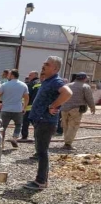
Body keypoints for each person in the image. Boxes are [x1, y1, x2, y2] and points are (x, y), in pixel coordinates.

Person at [24, 56, 73, 190]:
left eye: (47, 64)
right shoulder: (48, 80)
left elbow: (68, 93)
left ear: (55, 68)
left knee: (42, 152)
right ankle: (41, 179)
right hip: (41, 121)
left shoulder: (56, 81)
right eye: (44, 63)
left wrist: (54, 105)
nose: (43, 65)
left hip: (46, 121)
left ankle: (40, 181)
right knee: (41, 151)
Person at [59, 72, 96, 149]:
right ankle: (68, 144)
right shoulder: (85, 86)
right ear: (84, 78)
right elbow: (89, 98)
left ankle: (66, 141)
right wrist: (92, 107)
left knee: (65, 125)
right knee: (73, 126)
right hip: (76, 110)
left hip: (64, 108)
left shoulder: (67, 85)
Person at [0, 69, 29, 148]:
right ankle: (14, 138)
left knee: (3, 127)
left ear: (12, 75)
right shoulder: (23, 85)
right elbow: (27, 98)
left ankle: (1, 143)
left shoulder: (5, 85)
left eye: (9, 74)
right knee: (18, 125)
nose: (7, 76)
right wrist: (24, 107)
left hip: (5, 109)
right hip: (18, 109)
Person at [19, 71, 41, 142]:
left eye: (30, 75)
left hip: (29, 107)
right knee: (36, 123)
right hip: (38, 107)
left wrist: (23, 106)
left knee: (25, 122)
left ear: (35, 75)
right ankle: (37, 137)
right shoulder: (42, 83)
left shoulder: (31, 84)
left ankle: (24, 136)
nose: (29, 76)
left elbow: (27, 96)